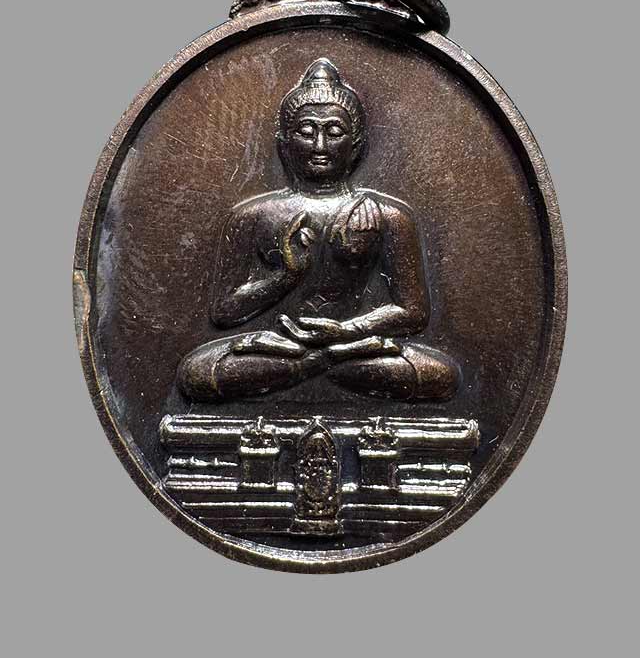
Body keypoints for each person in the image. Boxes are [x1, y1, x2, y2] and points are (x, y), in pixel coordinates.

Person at [178, 58, 460, 403]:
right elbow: (224, 312)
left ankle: (313, 364)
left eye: (334, 132)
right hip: (280, 347)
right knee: (196, 373)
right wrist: (285, 276)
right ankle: (317, 364)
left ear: (356, 144)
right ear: (284, 143)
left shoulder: (388, 216)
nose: (320, 146)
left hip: (351, 346)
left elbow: (413, 312)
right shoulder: (252, 215)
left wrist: (347, 330)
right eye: (306, 131)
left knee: (440, 375)